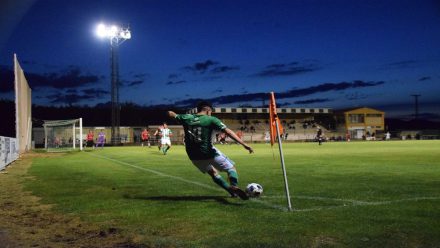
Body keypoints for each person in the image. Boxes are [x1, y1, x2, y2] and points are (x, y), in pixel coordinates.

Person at [168, 101, 253, 200]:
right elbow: (228, 131)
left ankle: (230, 190)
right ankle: (234, 185)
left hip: (194, 156)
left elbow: (171, 113)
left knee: (213, 173)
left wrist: (172, 113)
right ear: (208, 110)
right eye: (211, 111)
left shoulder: (187, 117)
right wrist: (244, 144)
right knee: (231, 168)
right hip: (208, 152)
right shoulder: (211, 119)